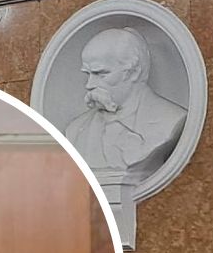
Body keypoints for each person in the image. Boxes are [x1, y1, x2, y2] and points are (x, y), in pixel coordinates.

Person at [65, 27, 187, 175]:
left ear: (134, 72)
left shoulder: (171, 120)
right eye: (88, 74)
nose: (89, 85)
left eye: (101, 74)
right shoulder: (75, 130)